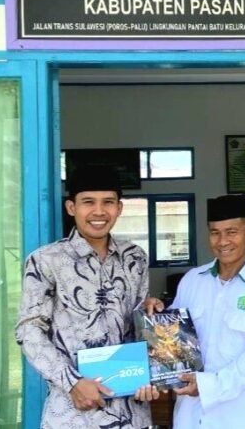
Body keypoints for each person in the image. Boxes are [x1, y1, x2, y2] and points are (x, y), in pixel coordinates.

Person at [15, 164, 158, 429]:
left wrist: (152, 317)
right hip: (73, 414)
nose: (99, 211)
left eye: (108, 202)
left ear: (119, 208)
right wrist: (73, 383)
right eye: (88, 202)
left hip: (131, 412)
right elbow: (29, 331)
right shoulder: (46, 260)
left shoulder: (135, 257)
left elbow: (138, 327)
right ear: (72, 207)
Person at [165, 194, 245, 429]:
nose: (222, 241)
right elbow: (172, 337)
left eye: (232, 232)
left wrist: (210, 386)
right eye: (215, 232)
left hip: (241, 416)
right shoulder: (192, 280)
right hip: (190, 417)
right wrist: (155, 314)